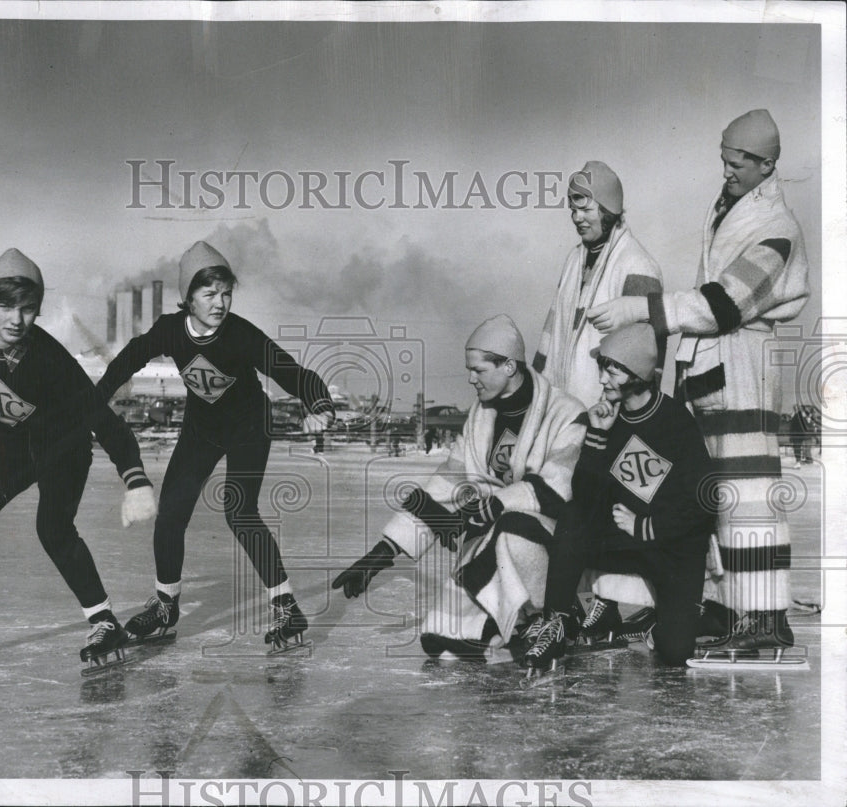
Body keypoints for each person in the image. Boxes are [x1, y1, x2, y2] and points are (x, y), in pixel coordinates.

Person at [588, 109, 811, 654]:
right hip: (713, 368)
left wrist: (638, 310)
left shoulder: (777, 230)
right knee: (704, 492)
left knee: (746, 494)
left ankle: (763, 616)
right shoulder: (733, 210)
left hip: (744, 369)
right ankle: (725, 603)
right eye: (724, 161)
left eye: (737, 164)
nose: (726, 172)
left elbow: (721, 305)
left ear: (767, 164)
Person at [0, 248, 158, 666]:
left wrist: (135, 479)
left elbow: (104, 418)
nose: (16, 320)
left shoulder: (50, 357)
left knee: (53, 529)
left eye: (28, 309)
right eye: (5, 305)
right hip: (4, 450)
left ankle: (104, 621)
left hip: (62, 449)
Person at [94, 240, 335, 652]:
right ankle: (166, 607)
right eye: (210, 294)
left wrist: (321, 403)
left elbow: (290, 371)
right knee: (170, 513)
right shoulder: (171, 329)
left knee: (239, 511)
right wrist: (94, 404)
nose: (221, 303)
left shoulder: (239, 334)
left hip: (249, 427)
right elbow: (128, 358)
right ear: (188, 297)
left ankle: (286, 605)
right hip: (201, 429)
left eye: (226, 293)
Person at [332, 315, 586, 659]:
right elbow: (448, 483)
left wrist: (494, 505)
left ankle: (550, 615)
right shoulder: (482, 415)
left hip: (547, 542)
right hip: (493, 544)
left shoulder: (566, 413)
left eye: (478, 370)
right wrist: (382, 553)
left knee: (510, 528)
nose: (470, 379)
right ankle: (515, 622)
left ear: (509, 366)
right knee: (441, 638)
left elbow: (557, 489)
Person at [524, 324, 715, 670]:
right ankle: (555, 622)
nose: (602, 379)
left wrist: (646, 526)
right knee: (573, 516)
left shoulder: (676, 422)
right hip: (624, 541)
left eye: (612, 369)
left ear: (637, 374)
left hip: (671, 547)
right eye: (603, 368)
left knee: (674, 653)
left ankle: (687, 619)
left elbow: (704, 502)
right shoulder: (609, 418)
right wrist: (597, 437)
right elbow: (584, 498)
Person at [533, 161, 663, 406]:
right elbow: (550, 334)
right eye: (573, 210)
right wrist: (536, 395)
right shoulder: (573, 260)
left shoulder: (638, 266)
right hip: (560, 411)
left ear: (609, 210)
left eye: (586, 210)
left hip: (604, 413)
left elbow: (645, 359)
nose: (576, 218)